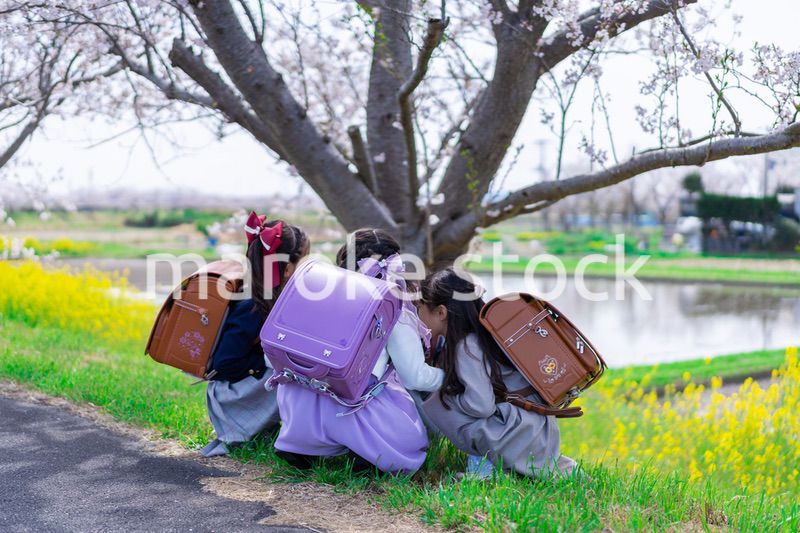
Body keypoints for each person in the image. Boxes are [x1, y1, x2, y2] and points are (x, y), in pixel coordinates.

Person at [272, 229, 443, 474]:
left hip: (299, 410)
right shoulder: (391, 308)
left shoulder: (317, 293)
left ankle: (301, 447)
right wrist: (449, 377)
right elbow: (413, 376)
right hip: (349, 408)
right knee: (407, 427)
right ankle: (368, 452)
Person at [417, 268, 578, 479]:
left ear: (441, 312)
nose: (417, 315)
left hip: (521, 434)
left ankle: (487, 467)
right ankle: (500, 466)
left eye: (420, 308)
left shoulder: (466, 346)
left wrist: (450, 396)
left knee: (439, 401)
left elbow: (481, 406)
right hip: (537, 430)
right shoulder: (489, 332)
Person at [201, 211, 309, 457]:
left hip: (246, 388)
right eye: (305, 260)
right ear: (287, 269)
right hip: (231, 399)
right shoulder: (251, 306)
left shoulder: (272, 298)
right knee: (296, 369)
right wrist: (270, 362)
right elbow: (225, 363)